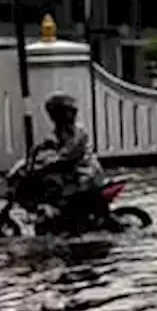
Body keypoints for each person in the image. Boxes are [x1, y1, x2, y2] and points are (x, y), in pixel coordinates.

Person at [31, 92, 109, 229]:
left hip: (85, 173)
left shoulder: (78, 131)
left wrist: (50, 164)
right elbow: (50, 144)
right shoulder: (60, 130)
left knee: (63, 193)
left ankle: (72, 224)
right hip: (72, 172)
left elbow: (69, 154)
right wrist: (41, 149)